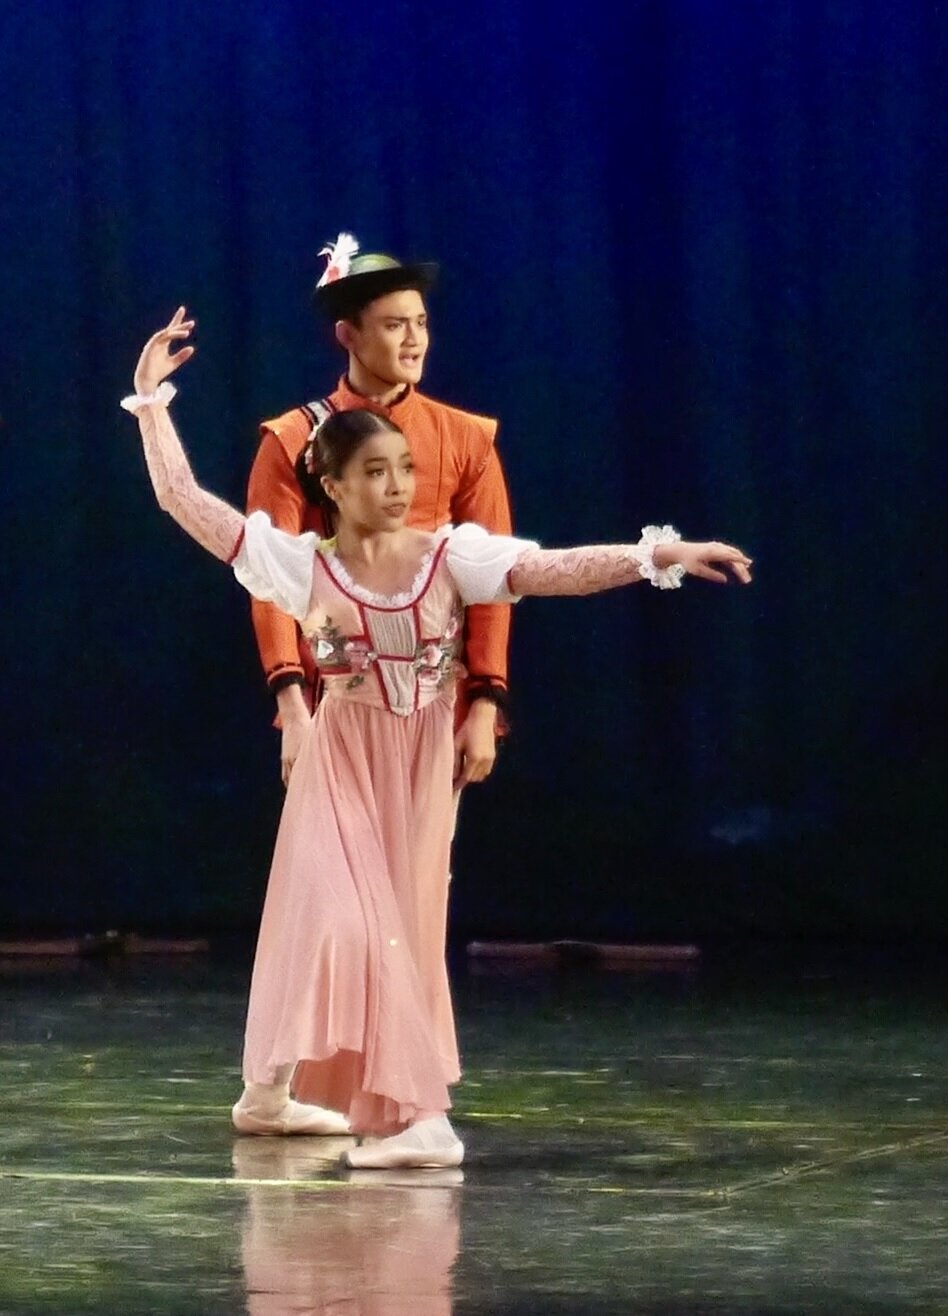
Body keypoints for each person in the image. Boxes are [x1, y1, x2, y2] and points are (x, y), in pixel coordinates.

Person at [122, 308, 752, 1169]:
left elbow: (549, 569)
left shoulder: (449, 555)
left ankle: (270, 1095)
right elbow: (186, 505)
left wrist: (658, 556)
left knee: (401, 929)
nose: (395, 484)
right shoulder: (303, 565)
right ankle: (417, 1117)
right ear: (331, 487)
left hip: (418, 766)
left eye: (403, 468)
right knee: (339, 921)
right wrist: (153, 405)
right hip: (342, 758)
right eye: (374, 471)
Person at [248, 233, 513, 791]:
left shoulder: (464, 437)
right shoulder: (295, 437)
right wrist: (293, 708)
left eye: (420, 322)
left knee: (420, 872)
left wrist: (485, 702)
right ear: (348, 334)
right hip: (336, 693)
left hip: (434, 695)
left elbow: (494, 576)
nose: (415, 339)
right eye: (395, 325)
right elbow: (268, 579)